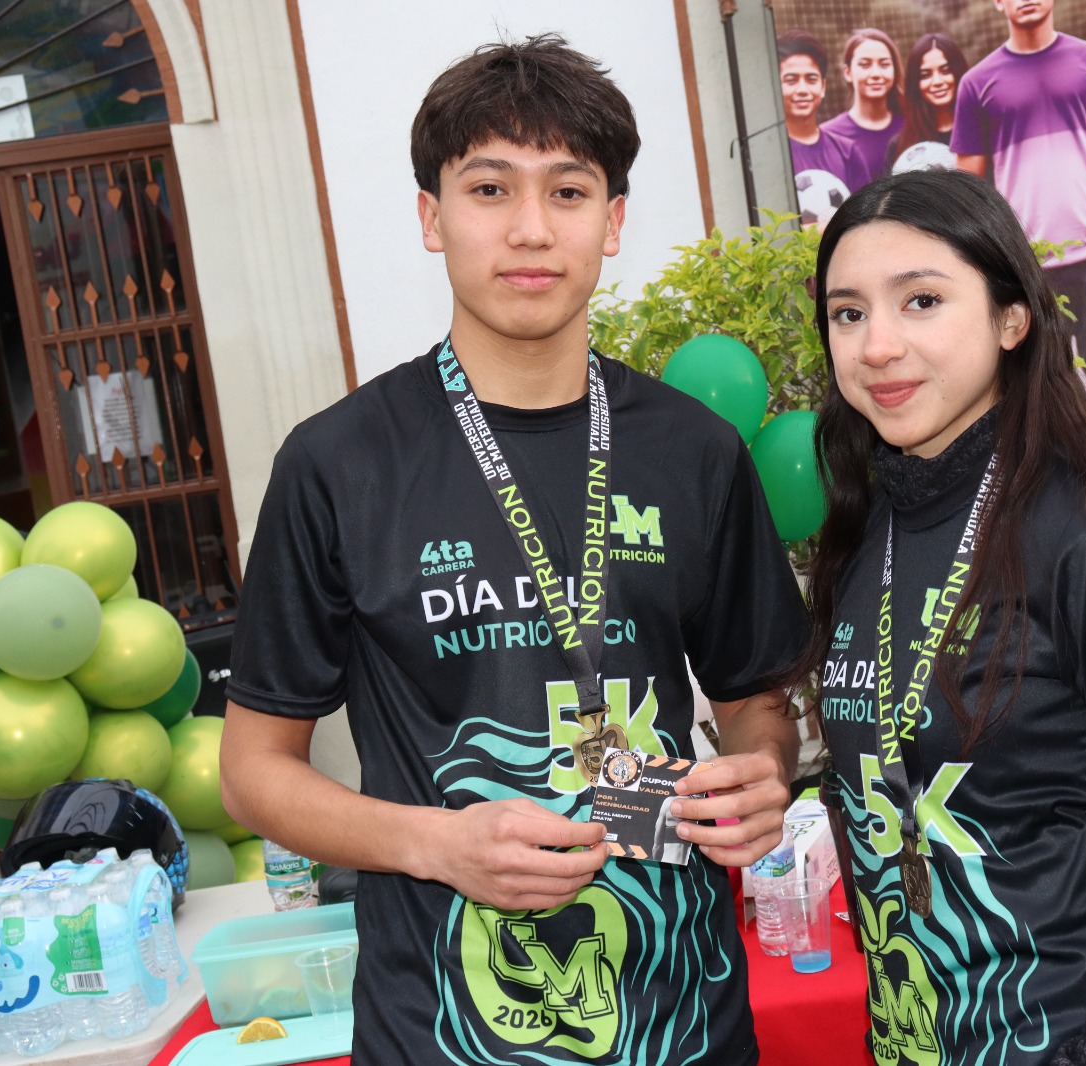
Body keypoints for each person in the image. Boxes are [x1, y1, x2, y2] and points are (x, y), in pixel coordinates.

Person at [218, 36, 809, 1065]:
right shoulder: (337, 462)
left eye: (568, 192)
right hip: (440, 1026)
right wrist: (436, 844)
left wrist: (761, 771)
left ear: (612, 221)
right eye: (489, 188)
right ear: (431, 216)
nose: (531, 229)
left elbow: (757, 703)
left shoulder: (695, 453)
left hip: (683, 1021)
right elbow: (252, 772)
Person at [799, 168, 1086, 1065]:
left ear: (1012, 319)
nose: (877, 345)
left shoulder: (1083, 540)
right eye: (847, 313)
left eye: (922, 301)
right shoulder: (866, 534)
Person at [951, 0, 1086, 457]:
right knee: (1039, 401)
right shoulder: (977, 81)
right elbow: (967, 185)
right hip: (1026, 270)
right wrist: (996, 260)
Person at [778, 29, 873, 206]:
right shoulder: (771, 154)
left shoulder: (847, 152)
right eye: (791, 80)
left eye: (811, 79)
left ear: (822, 87)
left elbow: (865, 214)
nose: (802, 90)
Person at [821, 28, 906, 181]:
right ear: (848, 73)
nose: (876, 74)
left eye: (884, 64)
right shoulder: (829, 136)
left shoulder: (911, 126)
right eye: (865, 65)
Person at [886, 33, 970, 167]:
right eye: (925, 75)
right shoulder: (899, 146)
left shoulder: (983, 132)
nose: (937, 82)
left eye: (946, 71)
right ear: (915, 83)